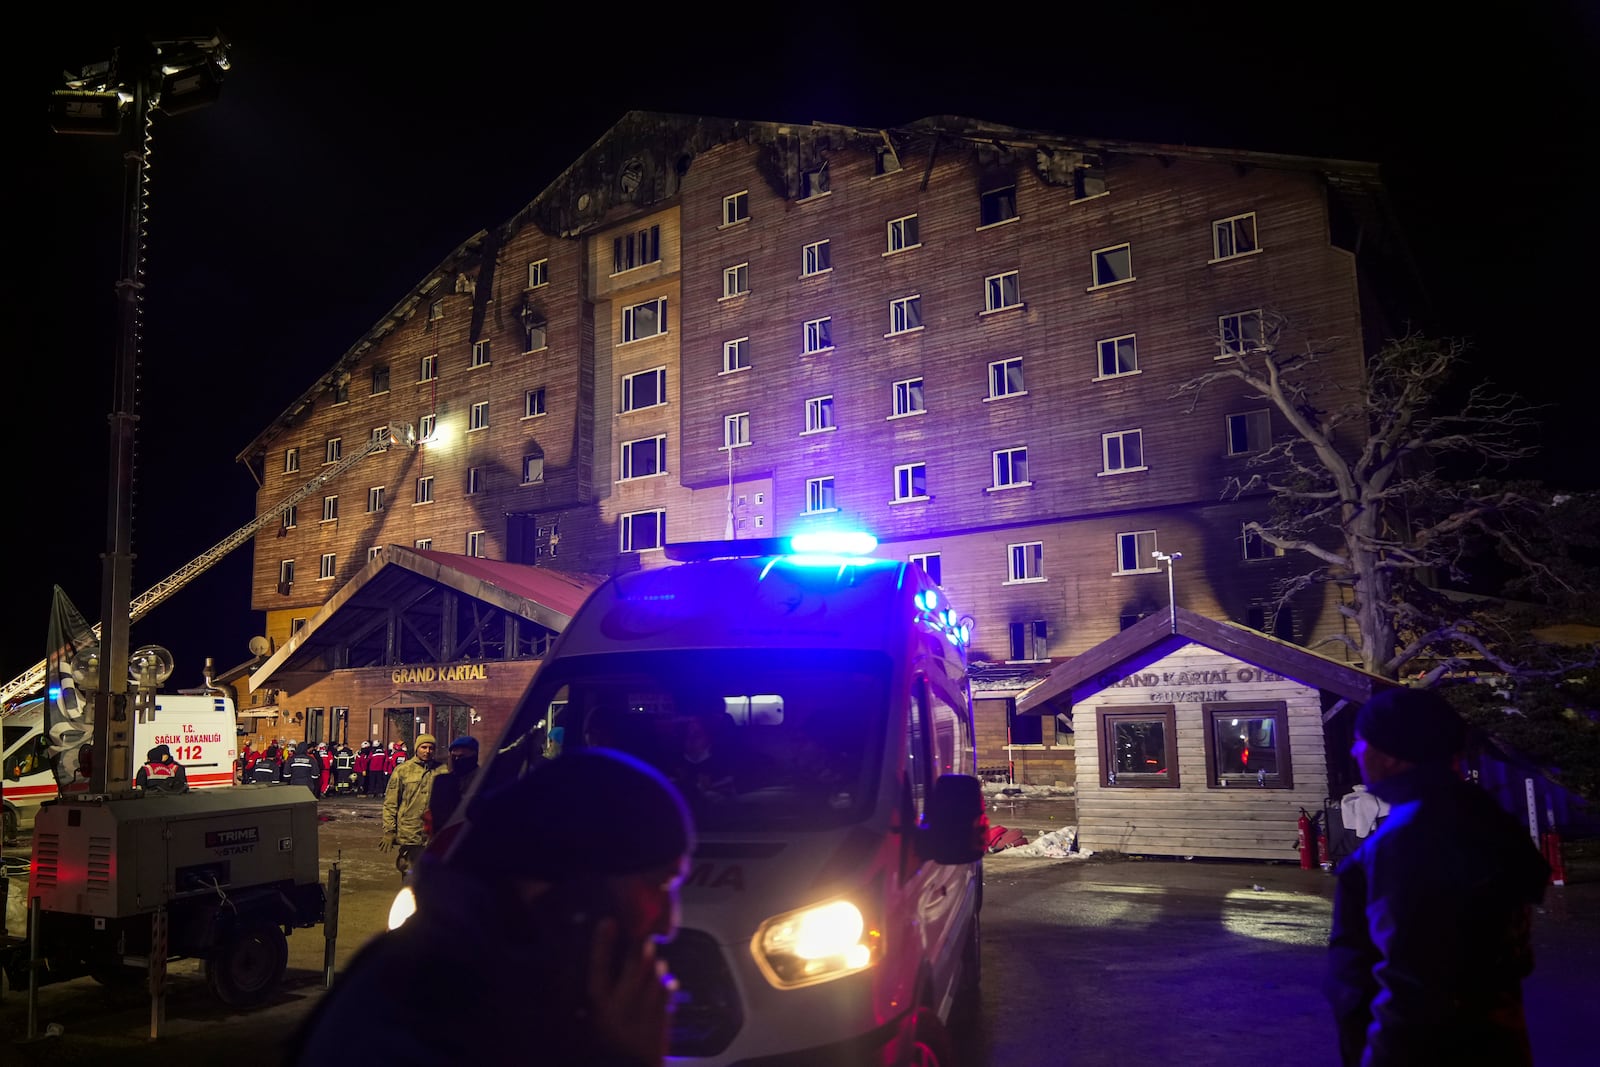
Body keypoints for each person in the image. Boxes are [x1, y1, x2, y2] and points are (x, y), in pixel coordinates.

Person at [288, 748, 694, 1066]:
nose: (668, 921)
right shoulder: (416, 1014)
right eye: (657, 884)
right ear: (569, 891)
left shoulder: (518, 982)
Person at [1325, 687, 1550, 1067]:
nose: (1355, 752)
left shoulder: (1413, 839)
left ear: (1395, 755)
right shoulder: (1474, 815)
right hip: (1491, 1042)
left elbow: (1416, 983)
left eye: (1362, 741)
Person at [379, 734, 445, 877]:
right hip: (410, 833)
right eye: (424, 747)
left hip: (434, 834)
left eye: (431, 748)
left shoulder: (442, 771)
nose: (427, 751)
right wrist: (389, 830)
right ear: (417, 749)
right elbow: (391, 803)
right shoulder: (402, 771)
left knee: (432, 876)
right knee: (409, 875)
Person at [427, 736, 480, 833]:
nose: (457, 760)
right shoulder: (442, 781)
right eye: (454, 756)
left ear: (474, 755)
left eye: (462, 756)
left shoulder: (484, 779)